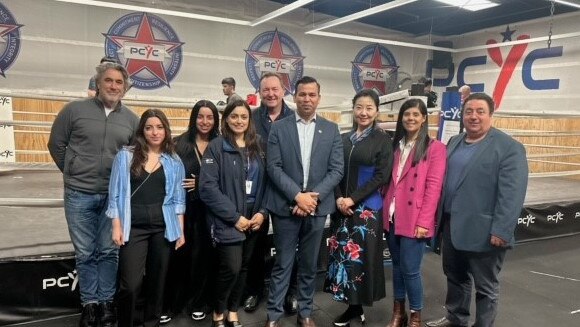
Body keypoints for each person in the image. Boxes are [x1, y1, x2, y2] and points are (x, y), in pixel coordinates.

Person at [48, 62, 139, 327]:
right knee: (86, 252)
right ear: (98, 84)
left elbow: (136, 156)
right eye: (108, 81)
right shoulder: (74, 111)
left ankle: (107, 303)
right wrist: (72, 171)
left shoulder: (132, 119)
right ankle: (90, 304)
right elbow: (56, 144)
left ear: (125, 88)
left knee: (109, 252)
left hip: (113, 198)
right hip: (79, 193)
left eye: (119, 82)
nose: (113, 86)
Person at [425, 93, 528, 327]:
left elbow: (512, 194)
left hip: (485, 230)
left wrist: (502, 230)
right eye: (469, 111)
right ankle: (456, 318)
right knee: (455, 277)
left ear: (491, 115)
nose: (474, 116)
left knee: (486, 286)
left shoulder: (509, 148)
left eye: (480, 111)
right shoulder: (454, 142)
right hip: (451, 225)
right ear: (462, 115)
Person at [264, 76, 344, 327]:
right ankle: (273, 315)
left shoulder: (331, 130)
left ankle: (305, 312)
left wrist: (311, 199)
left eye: (312, 95)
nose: (307, 99)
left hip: (317, 209)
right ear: (294, 96)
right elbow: (273, 167)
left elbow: (336, 170)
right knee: (283, 263)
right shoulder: (279, 128)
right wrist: (297, 196)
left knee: (309, 265)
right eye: (302, 94)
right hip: (285, 207)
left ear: (319, 98)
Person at [107, 109, 186, 327]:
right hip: (134, 228)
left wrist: (180, 230)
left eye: (159, 127)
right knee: (130, 285)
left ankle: (151, 323)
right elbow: (114, 194)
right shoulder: (125, 156)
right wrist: (116, 225)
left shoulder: (174, 161)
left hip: (163, 227)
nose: (154, 132)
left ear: (166, 130)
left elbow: (179, 199)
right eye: (149, 127)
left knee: (157, 283)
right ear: (142, 130)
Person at [324, 89, 393, 326]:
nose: (363, 112)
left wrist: (352, 199)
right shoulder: (343, 138)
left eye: (369, 108)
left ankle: (358, 306)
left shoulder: (382, 140)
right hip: (341, 206)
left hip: (365, 210)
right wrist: (338, 198)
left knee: (361, 260)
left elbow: (381, 176)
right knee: (344, 259)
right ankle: (353, 307)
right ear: (353, 109)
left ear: (376, 111)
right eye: (359, 107)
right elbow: (333, 170)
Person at [199, 100, 269, 327]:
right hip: (229, 219)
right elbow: (207, 189)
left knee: (245, 267)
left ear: (249, 120)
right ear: (226, 119)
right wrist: (234, 217)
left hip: (253, 218)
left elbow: (267, 183)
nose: (239, 121)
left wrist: (262, 212)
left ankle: (232, 310)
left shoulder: (257, 145)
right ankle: (218, 311)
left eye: (244, 117)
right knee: (231, 267)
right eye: (234, 116)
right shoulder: (217, 146)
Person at [383, 98, 447, 327]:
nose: (410, 118)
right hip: (392, 216)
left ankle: (415, 316)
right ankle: (398, 313)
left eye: (415, 114)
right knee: (398, 268)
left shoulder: (435, 148)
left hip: (415, 218)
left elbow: (434, 188)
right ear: (401, 118)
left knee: (410, 270)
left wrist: (424, 220)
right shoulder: (395, 144)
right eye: (406, 114)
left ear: (423, 119)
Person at [160, 100, 220, 324]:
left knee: (203, 259)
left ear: (215, 120)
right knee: (178, 257)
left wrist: (201, 184)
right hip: (183, 210)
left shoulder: (222, 143)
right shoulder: (178, 144)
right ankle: (171, 304)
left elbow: (229, 177)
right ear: (194, 118)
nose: (205, 122)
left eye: (209, 117)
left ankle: (198, 302)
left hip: (211, 210)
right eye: (200, 116)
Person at [243, 72, 296, 314]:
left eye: (275, 89)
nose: (271, 94)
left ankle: (289, 292)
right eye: (266, 90)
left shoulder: (295, 118)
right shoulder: (251, 119)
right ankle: (254, 290)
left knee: (288, 246)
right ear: (260, 92)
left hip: (287, 191)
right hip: (259, 191)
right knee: (255, 245)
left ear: (283, 90)